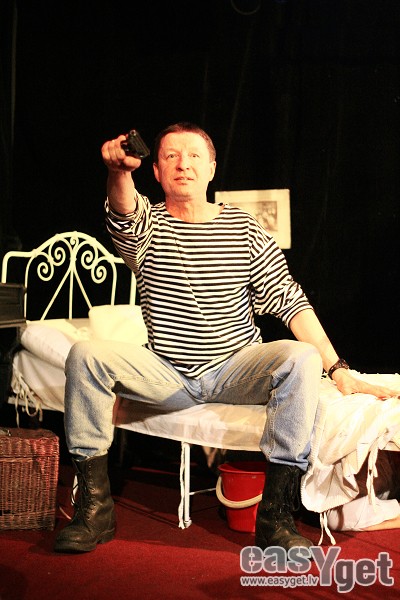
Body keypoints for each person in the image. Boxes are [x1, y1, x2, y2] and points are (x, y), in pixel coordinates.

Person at [54, 122, 397, 553]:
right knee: (84, 354)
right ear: (156, 171)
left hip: (234, 369)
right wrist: (119, 172)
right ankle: (95, 511)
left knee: (301, 357)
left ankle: (274, 518)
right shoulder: (146, 226)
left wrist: (339, 368)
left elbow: (290, 299)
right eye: (171, 156)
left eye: (194, 156)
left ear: (212, 169)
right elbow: (123, 210)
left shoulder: (244, 227)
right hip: (167, 373)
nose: (183, 164)